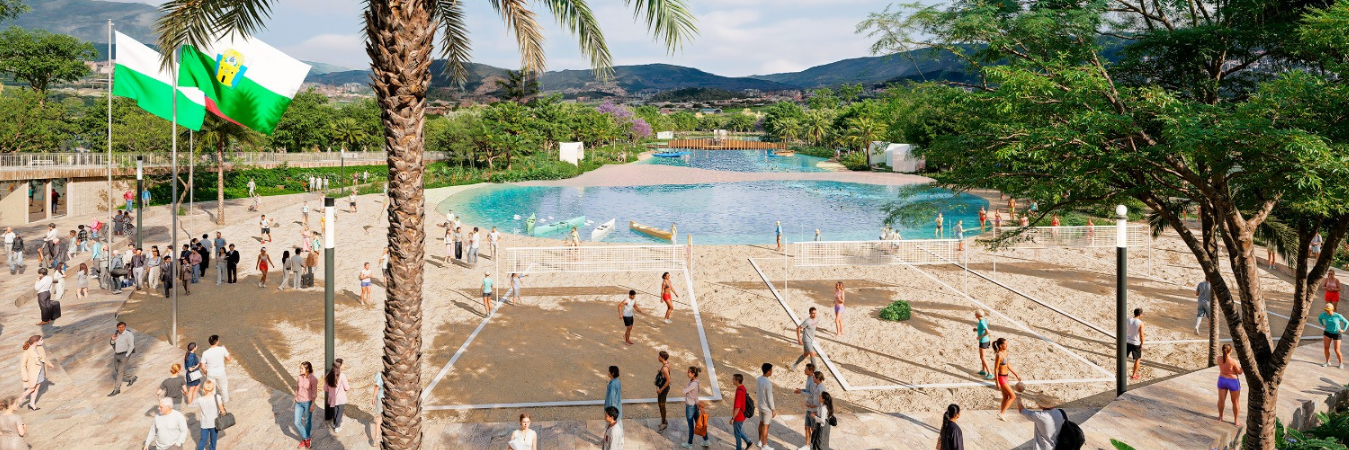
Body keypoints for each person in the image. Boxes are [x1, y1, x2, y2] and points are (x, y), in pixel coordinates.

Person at [993, 338, 1023, 420]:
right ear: (1000, 345)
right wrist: (997, 383)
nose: (1007, 345)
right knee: (1013, 396)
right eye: (1005, 344)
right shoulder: (999, 355)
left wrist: (1016, 374)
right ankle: (1001, 413)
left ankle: (1002, 413)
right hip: (1001, 378)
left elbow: (1008, 365)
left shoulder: (1005, 352)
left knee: (1005, 398)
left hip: (1006, 377)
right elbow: (995, 369)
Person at [19, 336, 51, 411]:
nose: (42, 341)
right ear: (35, 342)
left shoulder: (40, 348)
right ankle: (19, 399)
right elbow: (22, 366)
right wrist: (24, 376)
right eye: (41, 340)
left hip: (41, 370)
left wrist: (49, 364)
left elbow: (44, 358)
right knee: (31, 388)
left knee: (36, 388)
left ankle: (32, 403)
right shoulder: (26, 353)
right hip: (32, 373)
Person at [794, 365, 821, 448]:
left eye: (806, 369)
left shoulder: (813, 381)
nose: (804, 370)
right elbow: (808, 390)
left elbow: (811, 394)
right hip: (809, 408)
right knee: (807, 427)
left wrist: (801, 392)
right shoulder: (809, 379)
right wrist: (801, 390)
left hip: (813, 408)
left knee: (813, 429)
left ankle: (815, 445)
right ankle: (807, 445)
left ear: (811, 370)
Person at [1216, 343, 1243, 424]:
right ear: (1231, 351)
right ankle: (1236, 420)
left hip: (1222, 380)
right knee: (1235, 401)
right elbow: (1239, 372)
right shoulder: (1233, 361)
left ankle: (1220, 416)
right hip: (1232, 381)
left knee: (1221, 400)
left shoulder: (1218, 358)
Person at [194, 380, 224, 450]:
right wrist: (223, 413)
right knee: (213, 441)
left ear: (204, 388)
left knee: (203, 440)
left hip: (204, 424)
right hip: (214, 423)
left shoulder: (200, 399)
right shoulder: (217, 397)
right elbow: (222, 410)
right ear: (213, 388)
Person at [109, 321, 138, 396]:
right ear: (117, 328)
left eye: (122, 327)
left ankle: (117, 389)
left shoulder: (129, 335)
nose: (121, 328)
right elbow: (112, 344)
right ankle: (131, 377)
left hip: (124, 354)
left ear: (125, 327)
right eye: (119, 327)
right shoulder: (117, 334)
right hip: (116, 354)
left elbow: (132, 346)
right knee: (117, 369)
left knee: (119, 372)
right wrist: (112, 339)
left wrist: (127, 355)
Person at [202, 335, 231, 404]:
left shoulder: (205, 353)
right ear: (217, 342)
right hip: (221, 372)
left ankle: (213, 401)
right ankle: (225, 401)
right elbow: (229, 358)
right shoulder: (222, 349)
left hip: (210, 373)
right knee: (223, 387)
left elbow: (203, 366)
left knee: (211, 389)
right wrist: (225, 349)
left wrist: (205, 372)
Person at [294, 361, 317, 448]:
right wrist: (295, 395)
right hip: (298, 402)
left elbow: (314, 392)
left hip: (308, 402)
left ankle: (305, 439)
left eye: (302, 368)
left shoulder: (313, 379)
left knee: (307, 422)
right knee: (297, 422)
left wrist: (313, 404)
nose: (300, 370)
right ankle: (307, 438)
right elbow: (297, 387)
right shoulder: (299, 377)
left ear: (307, 369)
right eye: (300, 368)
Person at [325, 358, 350, 434]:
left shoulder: (328, 375)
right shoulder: (342, 376)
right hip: (341, 397)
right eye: (343, 364)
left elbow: (325, 388)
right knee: (340, 411)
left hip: (332, 397)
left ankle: (334, 423)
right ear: (340, 366)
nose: (344, 365)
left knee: (335, 410)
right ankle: (337, 426)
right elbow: (347, 387)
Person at [757, 363, 777, 450]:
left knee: (761, 423)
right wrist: (773, 409)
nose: (772, 372)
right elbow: (770, 397)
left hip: (760, 405)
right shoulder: (768, 383)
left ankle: (759, 441)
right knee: (766, 426)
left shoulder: (758, 379)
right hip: (767, 408)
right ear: (768, 371)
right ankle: (765, 446)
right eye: (771, 370)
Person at [1320, 303, 1348, 368]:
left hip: (1336, 334)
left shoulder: (1338, 316)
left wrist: (1343, 330)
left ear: (1332, 309)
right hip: (1327, 333)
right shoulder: (1323, 315)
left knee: (1337, 350)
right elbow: (1319, 318)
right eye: (1326, 310)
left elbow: (1346, 322)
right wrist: (1322, 324)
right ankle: (1327, 362)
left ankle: (1341, 363)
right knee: (1326, 348)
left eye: (1328, 310)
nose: (1327, 311)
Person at [681, 366, 702, 448]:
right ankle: (706, 439)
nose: (687, 373)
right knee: (699, 423)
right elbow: (695, 395)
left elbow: (683, 391)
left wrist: (685, 385)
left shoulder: (692, 384)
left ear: (693, 374)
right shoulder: (696, 382)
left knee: (691, 426)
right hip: (695, 405)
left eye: (689, 372)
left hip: (690, 406)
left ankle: (689, 444)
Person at [730, 374, 752, 450]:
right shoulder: (742, 388)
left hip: (738, 416)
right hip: (742, 415)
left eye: (733, 379)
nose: (732, 380)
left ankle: (738, 448)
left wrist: (733, 418)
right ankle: (748, 441)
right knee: (738, 431)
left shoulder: (739, 391)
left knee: (737, 434)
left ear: (737, 381)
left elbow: (737, 408)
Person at [656, 351, 673, 431]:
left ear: (662, 358)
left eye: (659, 356)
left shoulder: (665, 369)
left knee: (662, 405)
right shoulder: (667, 364)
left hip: (663, 389)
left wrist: (661, 390)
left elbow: (668, 380)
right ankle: (663, 419)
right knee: (660, 404)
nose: (658, 357)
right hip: (663, 388)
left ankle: (663, 423)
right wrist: (660, 371)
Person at [974, 310, 993, 380]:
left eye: (975, 313)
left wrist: (980, 337)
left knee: (983, 357)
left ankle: (990, 373)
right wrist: (977, 329)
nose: (974, 314)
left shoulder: (981, 322)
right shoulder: (982, 320)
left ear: (978, 315)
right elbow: (983, 329)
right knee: (982, 356)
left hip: (983, 341)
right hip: (985, 340)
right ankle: (983, 370)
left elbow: (987, 331)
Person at [1127, 308, 1145, 380]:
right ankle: (1134, 375)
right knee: (1137, 359)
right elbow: (1141, 335)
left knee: (1124, 358)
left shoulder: (1128, 320)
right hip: (1135, 343)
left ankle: (1121, 373)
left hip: (1127, 341)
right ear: (1140, 314)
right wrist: (1142, 343)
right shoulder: (1140, 323)